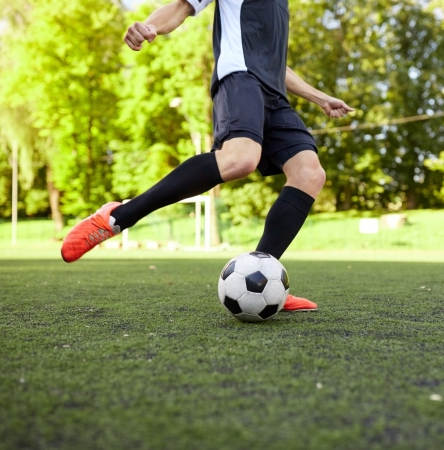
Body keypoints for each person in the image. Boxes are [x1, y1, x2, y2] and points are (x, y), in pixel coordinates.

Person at [60, 0, 354, 311]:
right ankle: (118, 216)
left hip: (274, 94)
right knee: (240, 158)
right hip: (240, 79)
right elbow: (179, 8)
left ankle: (263, 277)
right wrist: (149, 27)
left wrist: (320, 98)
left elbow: (275, 64)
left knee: (309, 174)